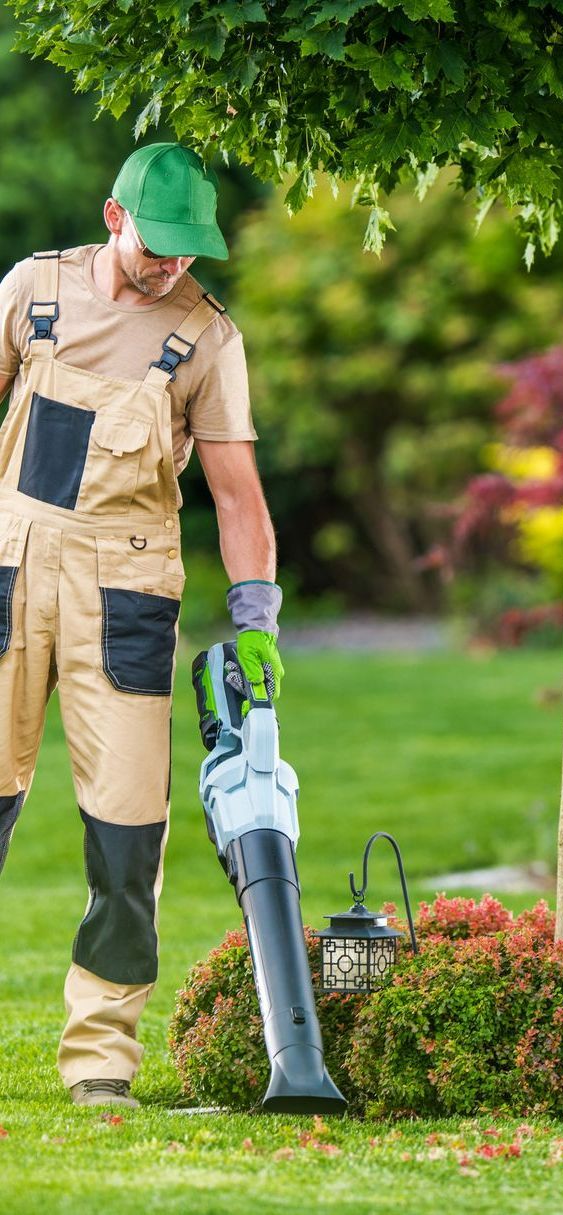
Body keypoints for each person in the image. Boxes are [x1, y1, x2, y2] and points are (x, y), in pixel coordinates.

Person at [0, 142, 284, 1109]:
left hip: (125, 596)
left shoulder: (205, 339)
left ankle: (100, 1061)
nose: (172, 268)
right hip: (10, 571)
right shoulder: (33, 291)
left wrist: (255, 621)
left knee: (127, 837)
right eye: (158, 247)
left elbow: (238, 495)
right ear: (114, 217)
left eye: (188, 253)